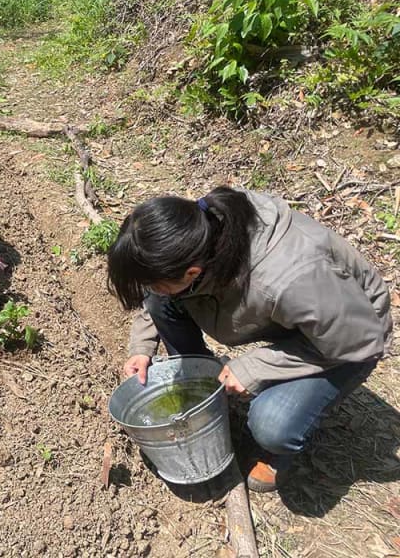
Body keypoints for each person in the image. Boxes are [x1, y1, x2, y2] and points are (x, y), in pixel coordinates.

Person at [106, 186, 394, 492]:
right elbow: (156, 297)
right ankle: (207, 388)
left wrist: (255, 368)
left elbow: (358, 340)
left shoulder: (290, 277)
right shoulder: (199, 234)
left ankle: (278, 456)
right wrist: (143, 347)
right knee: (163, 301)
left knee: (272, 424)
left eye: (156, 283)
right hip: (304, 315)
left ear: (192, 272)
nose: (151, 289)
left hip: (352, 337)